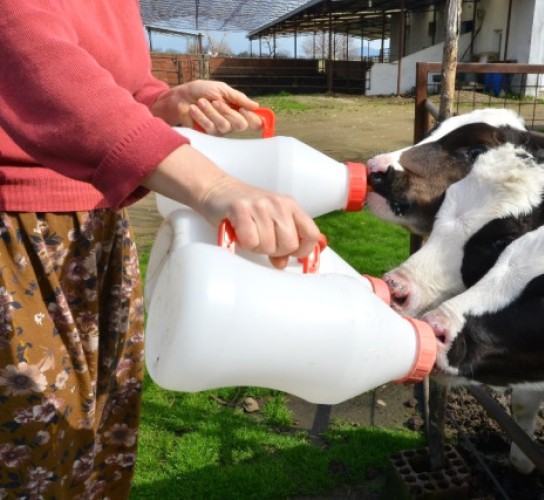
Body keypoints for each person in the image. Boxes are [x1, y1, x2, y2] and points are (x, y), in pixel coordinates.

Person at [0, 2, 320, 497]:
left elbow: (114, 81)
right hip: (18, 235)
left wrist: (163, 100)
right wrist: (213, 187)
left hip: (98, 224)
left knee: (105, 423)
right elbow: (41, 65)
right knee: (35, 439)